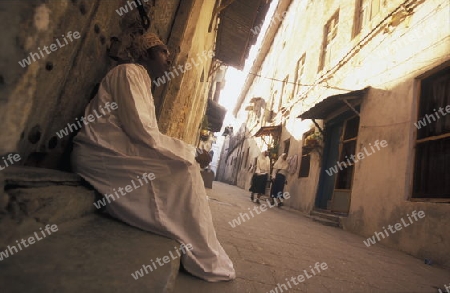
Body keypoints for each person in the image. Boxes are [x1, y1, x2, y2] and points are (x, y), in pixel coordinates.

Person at [71, 32, 235, 282]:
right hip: (101, 152)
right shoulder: (128, 73)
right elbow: (142, 131)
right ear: (146, 54)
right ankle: (195, 245)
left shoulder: (143, 81)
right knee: (185, 169)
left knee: (185, 168)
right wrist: (191, 151)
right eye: (163, 52)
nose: (169, 60)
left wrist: (188, 153)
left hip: (119, 150)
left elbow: (145, 134)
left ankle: (195, 242)